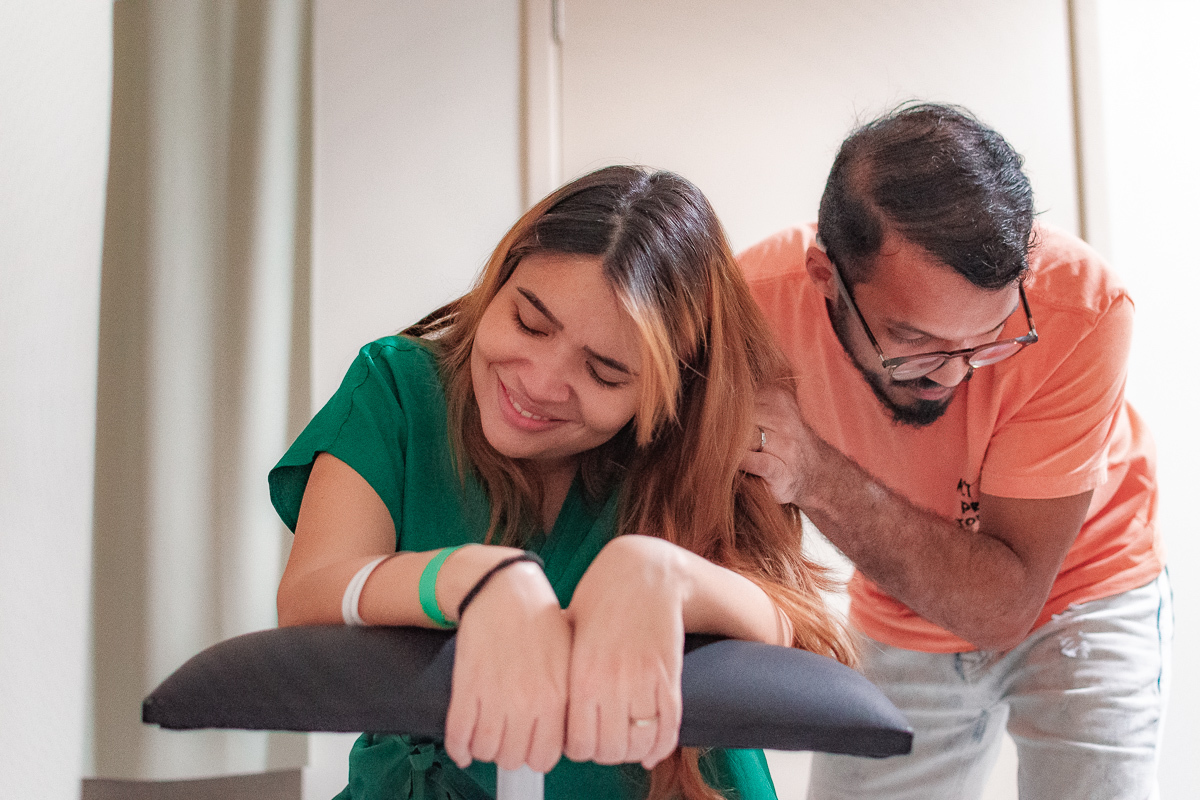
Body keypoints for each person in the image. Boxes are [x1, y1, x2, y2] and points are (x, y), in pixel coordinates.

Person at [270, 165, 854, 800]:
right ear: (502, 278)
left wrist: (668, 576)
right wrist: (470, 580)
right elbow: (310, 594)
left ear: (668, 392)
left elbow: (801, 649)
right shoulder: (401, 391)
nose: (540, 384)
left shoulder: (691, 444)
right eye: (529, 323)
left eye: (604, 372)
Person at [738, 103, 1170, 800]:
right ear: (825, 276)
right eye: (911, 340)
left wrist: (813, 470)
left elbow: (1004, 602)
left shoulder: (1085, 307)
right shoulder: (749, 307)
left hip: (1087, 588)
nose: (954, 372)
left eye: (989, 336)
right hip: (898, 598)